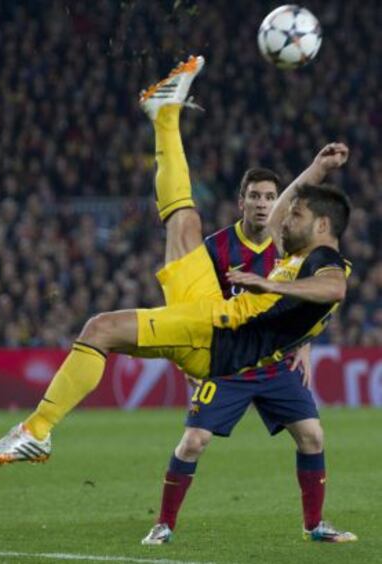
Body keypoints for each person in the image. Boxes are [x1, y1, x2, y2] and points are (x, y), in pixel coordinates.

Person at [0, 58, 354, 546]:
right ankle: (165, 114)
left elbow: (334, 291)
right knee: (184, 223)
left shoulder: (326, 263)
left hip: (220, 336)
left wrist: (272, 287)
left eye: (296, 213)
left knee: (99, 328)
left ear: (322, 228)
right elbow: (282, 216)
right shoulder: (293, 246)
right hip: (214, 318)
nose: (282, 216)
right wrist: (315, 170)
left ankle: (37, 431)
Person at [140, 59, 357, 545]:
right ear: (242, 201)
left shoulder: (290, 248)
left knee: (314, 436)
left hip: (275, 364)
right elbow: (195, 307)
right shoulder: (218, 249)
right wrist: (193, 361)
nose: (264, 204)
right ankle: (164, 523)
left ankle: (314, 525)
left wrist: (302, 342)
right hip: (231, 361)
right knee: (193, 441)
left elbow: (316, 300)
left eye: (271, 197)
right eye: (255, 196)